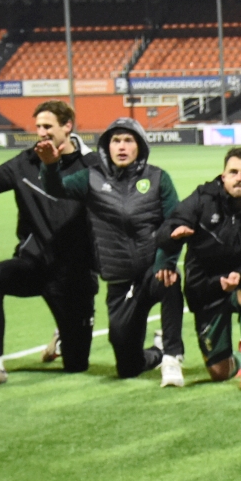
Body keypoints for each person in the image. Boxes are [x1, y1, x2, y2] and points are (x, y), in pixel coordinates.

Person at [38, 118, 186, 383]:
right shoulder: (91, 178)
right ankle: (157, 351)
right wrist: (50, 166)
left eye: (128, 141)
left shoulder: (158, 178)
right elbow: (55, 189)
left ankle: (172, 357)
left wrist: (166, 261)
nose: (122, 147)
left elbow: (174, 224)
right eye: (116, 141)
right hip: (119, 281)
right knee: (127, 366)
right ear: (107, 146)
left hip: (152, 271)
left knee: (170, 281)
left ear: (139, 146)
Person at [0, 104, 95, 387]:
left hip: (73, 276)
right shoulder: (25, 162)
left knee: (76, 365)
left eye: (48, 126)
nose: (42, 133)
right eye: (38, 127)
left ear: (67, 126)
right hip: (33, 264)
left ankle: (63, 335)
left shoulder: (92, 165)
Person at [160, 147, 241, 388]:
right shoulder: (203, 198)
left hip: (240, 283)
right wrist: (174, 233)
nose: (239, 178)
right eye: (233, 172)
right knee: (219, 372)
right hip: (205, 289)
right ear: (223, 176)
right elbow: (167, 227)